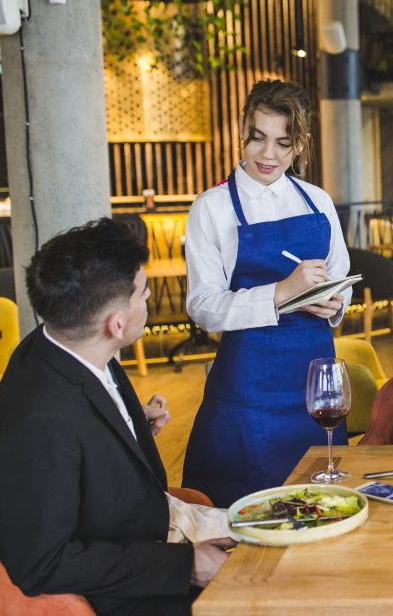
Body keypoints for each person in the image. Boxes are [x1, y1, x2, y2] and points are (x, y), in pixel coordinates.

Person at [0, 218, 236, 615]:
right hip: (128, 590)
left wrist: (129, 426)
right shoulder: (41, 420)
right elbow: (42, 563)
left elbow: (82, 433)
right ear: (117, 323)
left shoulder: (67, 339)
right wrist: (187, 566)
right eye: (143, 293)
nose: (147, 299)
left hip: (148, 525)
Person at [182, 79, 352, 507]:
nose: (269, 155)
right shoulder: (212, 206)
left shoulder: (318, 201)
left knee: (322, 505)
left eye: (283, 142)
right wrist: (280, 292)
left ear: (300, 144)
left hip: (316, 386)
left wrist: (335, 303)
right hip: (247, 391)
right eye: (258, 138)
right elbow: (202, 307)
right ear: (243, 128)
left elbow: (341, 276)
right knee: (246, 512)